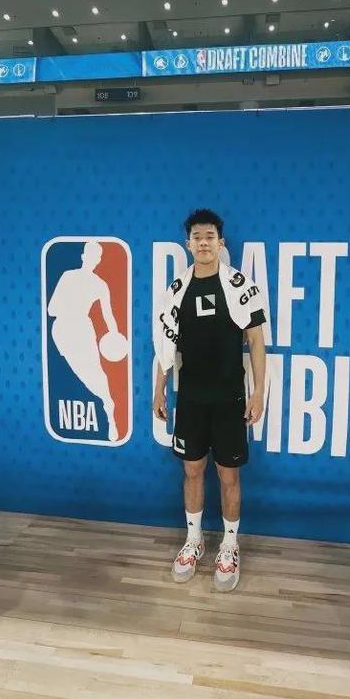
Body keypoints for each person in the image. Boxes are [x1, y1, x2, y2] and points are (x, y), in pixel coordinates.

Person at [153, 208, 266, 592]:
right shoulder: (176, 290)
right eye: (197, 237)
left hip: (229, 398)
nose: (203, 243)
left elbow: (256, 341)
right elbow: (165, 346)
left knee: (228, 474)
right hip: (191, 398)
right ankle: (194, 540)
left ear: (220, 243)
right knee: (192, 471)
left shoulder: (238, 285)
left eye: (210, 237)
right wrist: (159, 388)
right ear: (188, 244)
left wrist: (258, 392)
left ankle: (230, 546)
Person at [48, 241, 122, 441]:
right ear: (83, 257)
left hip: (82, 330)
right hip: (62, 331)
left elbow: (108, 315)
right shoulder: (68, 276)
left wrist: (115, 336)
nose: (92, 259)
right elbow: (51, 309)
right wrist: (70, 306)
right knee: (83, 374)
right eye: (90, 255)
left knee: (95, 373)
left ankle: (109, 408)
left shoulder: (100, 285)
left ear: (98, 260)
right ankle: (106, 401)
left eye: (96, 257)